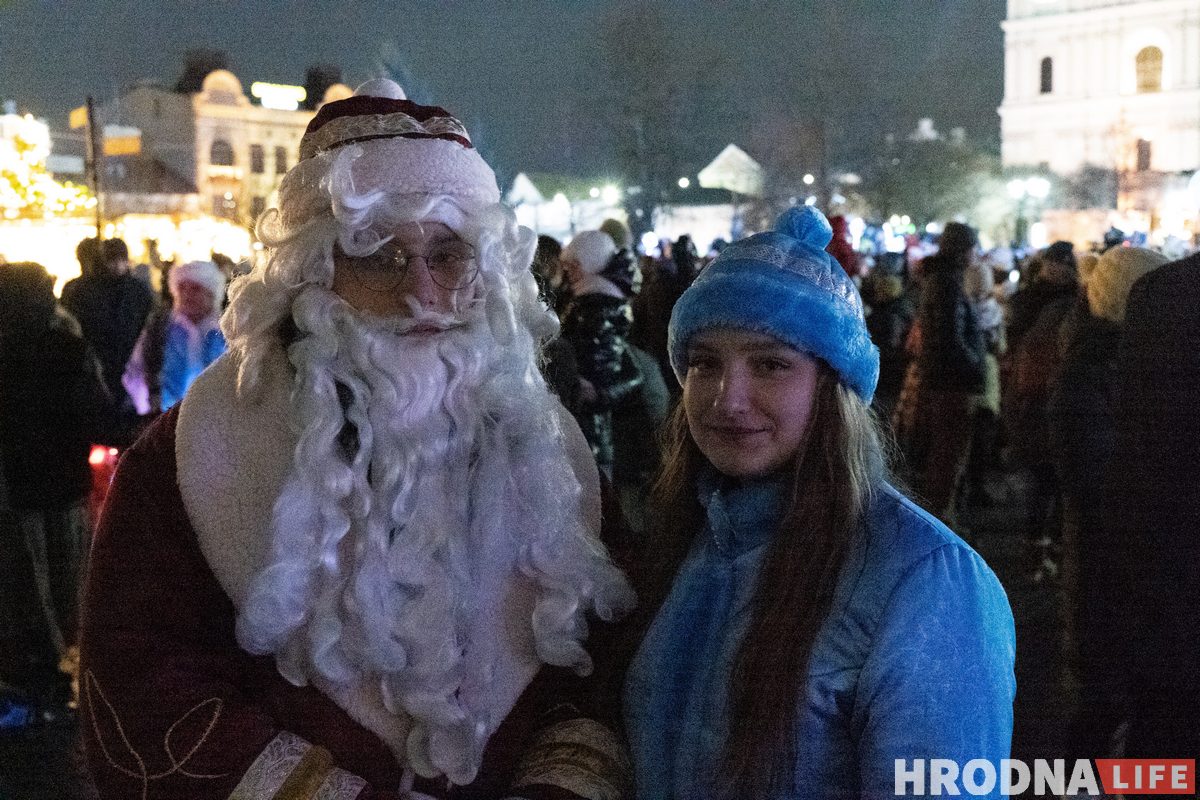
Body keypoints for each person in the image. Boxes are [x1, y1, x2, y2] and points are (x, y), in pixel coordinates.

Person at [79, 80, 634, 798]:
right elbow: (143, 681)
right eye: (378, 255)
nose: (424, 294)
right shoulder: (191, 457)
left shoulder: (546, 446)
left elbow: (611, 661)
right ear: (313, 272)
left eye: (450, 254)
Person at [622, 207, 1015, 799]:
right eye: (705, 363)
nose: (728, 399)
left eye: (770, 364)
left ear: (833, 386)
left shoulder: (925, 578)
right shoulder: (689, 536)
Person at [1048, 247, 1170, 758]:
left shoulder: (1118, 355)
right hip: (1110, 562)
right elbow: (1093, 476)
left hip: (1121, 566)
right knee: (1103, 702)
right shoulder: (1096, 365)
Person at [1096, 249, 1200, 759]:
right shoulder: (1165, 295)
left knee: (1157, 745)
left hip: (1158, 569)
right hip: (1167, 568)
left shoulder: (1160, 294)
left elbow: (1132, 445)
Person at [0, 262, 113, 709]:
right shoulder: (65, 348)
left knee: (27, 579)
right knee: (68, 575)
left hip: (14, 485)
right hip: (62, 480)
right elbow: (94, 411)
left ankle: (41, 662)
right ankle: (67, 656)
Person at [907, 223, 987, 526]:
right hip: (951, 383)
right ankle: (939, 523)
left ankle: (937, 518)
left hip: (943, 379)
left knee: (941, 455)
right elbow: (949, 337)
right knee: (946, 457)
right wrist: (974, 366)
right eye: (972, 249)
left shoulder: (940, 279)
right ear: (963, 250)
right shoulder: (947, 282)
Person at [559, 229, 643, 478]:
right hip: (594, 426)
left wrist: (593, 392)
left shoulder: (595, 309)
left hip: (589, 428)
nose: (568, 273)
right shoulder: (602, 304)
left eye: (574, 266)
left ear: (588, 265)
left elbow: (605, 372)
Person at [60, 236, 157, 430]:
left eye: (121, 259)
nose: (117, 265)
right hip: (99, 365)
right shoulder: (81, 290)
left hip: (130, 365)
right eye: (112, 260)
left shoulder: (136, 289)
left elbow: (147, 325)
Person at [122, 259, 228, 416]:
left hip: (215, 420)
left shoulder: (226, 331)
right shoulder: (161, 327)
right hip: (166, 419)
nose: (187, 295)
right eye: (182, 288)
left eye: (195, 289)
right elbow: (136, 370)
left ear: (211, 293)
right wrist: (149, 409)